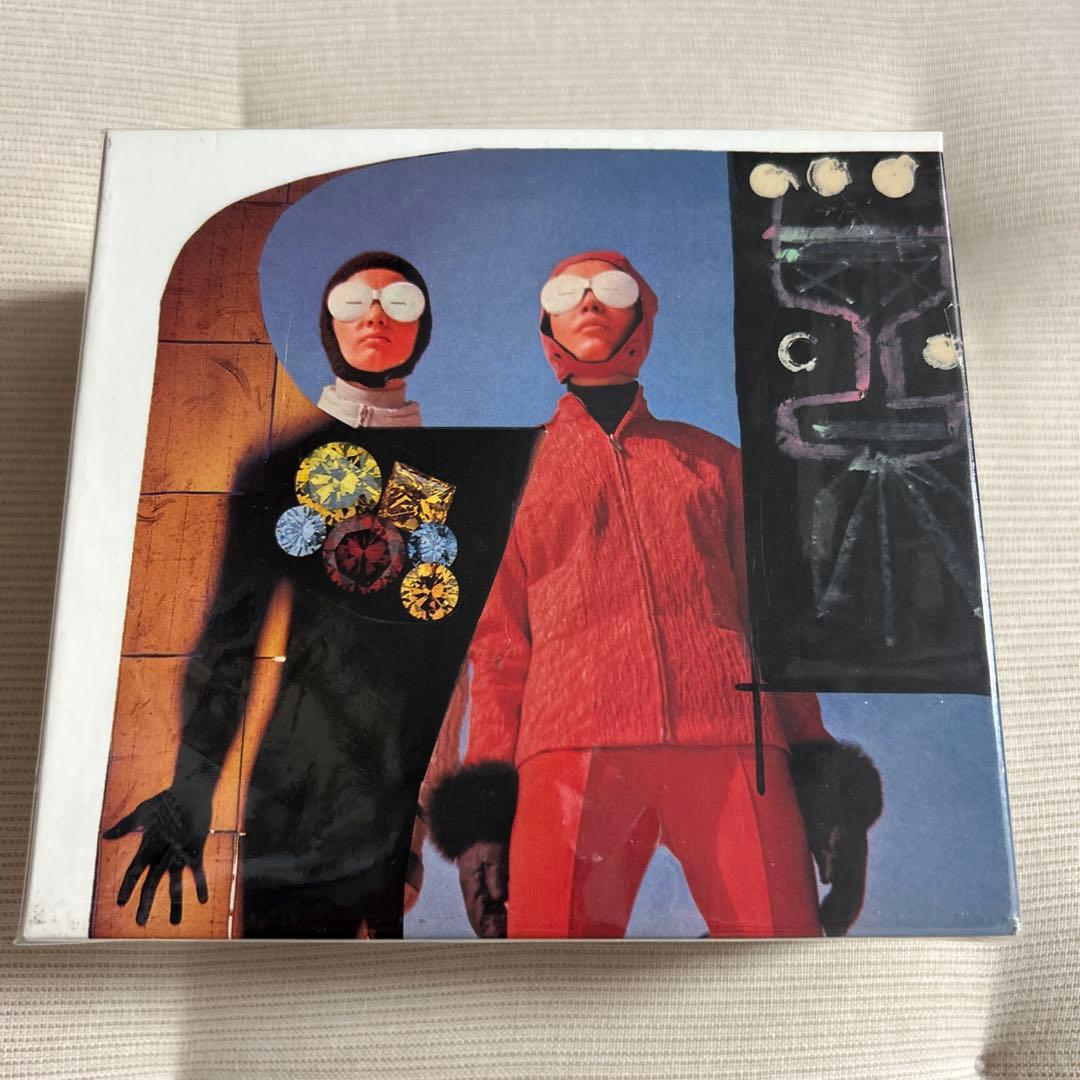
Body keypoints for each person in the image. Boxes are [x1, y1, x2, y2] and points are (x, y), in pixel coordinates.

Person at [430, 250, 882, 938]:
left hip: (733, 743)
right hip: (567, 751)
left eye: (611, 289)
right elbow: (498, 651)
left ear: (641, 317)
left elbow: (773, 626)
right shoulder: (509, 476)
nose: (589, 302)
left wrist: (823, 781)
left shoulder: (715, 463)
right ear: (546, 326)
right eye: (566, 293)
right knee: (552, 969)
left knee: (779, 951)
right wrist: (485, 815)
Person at [103, 251, 537, 937]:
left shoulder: (471, 476)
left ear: (423, 329)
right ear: (326, 323)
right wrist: (193, 786)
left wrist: (446, 820)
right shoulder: (279, 469)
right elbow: (230, 639)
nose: (374, 317)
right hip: (293, 800)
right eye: (352, 302)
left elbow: (477, 655)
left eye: (399, 303)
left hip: (400, 801)